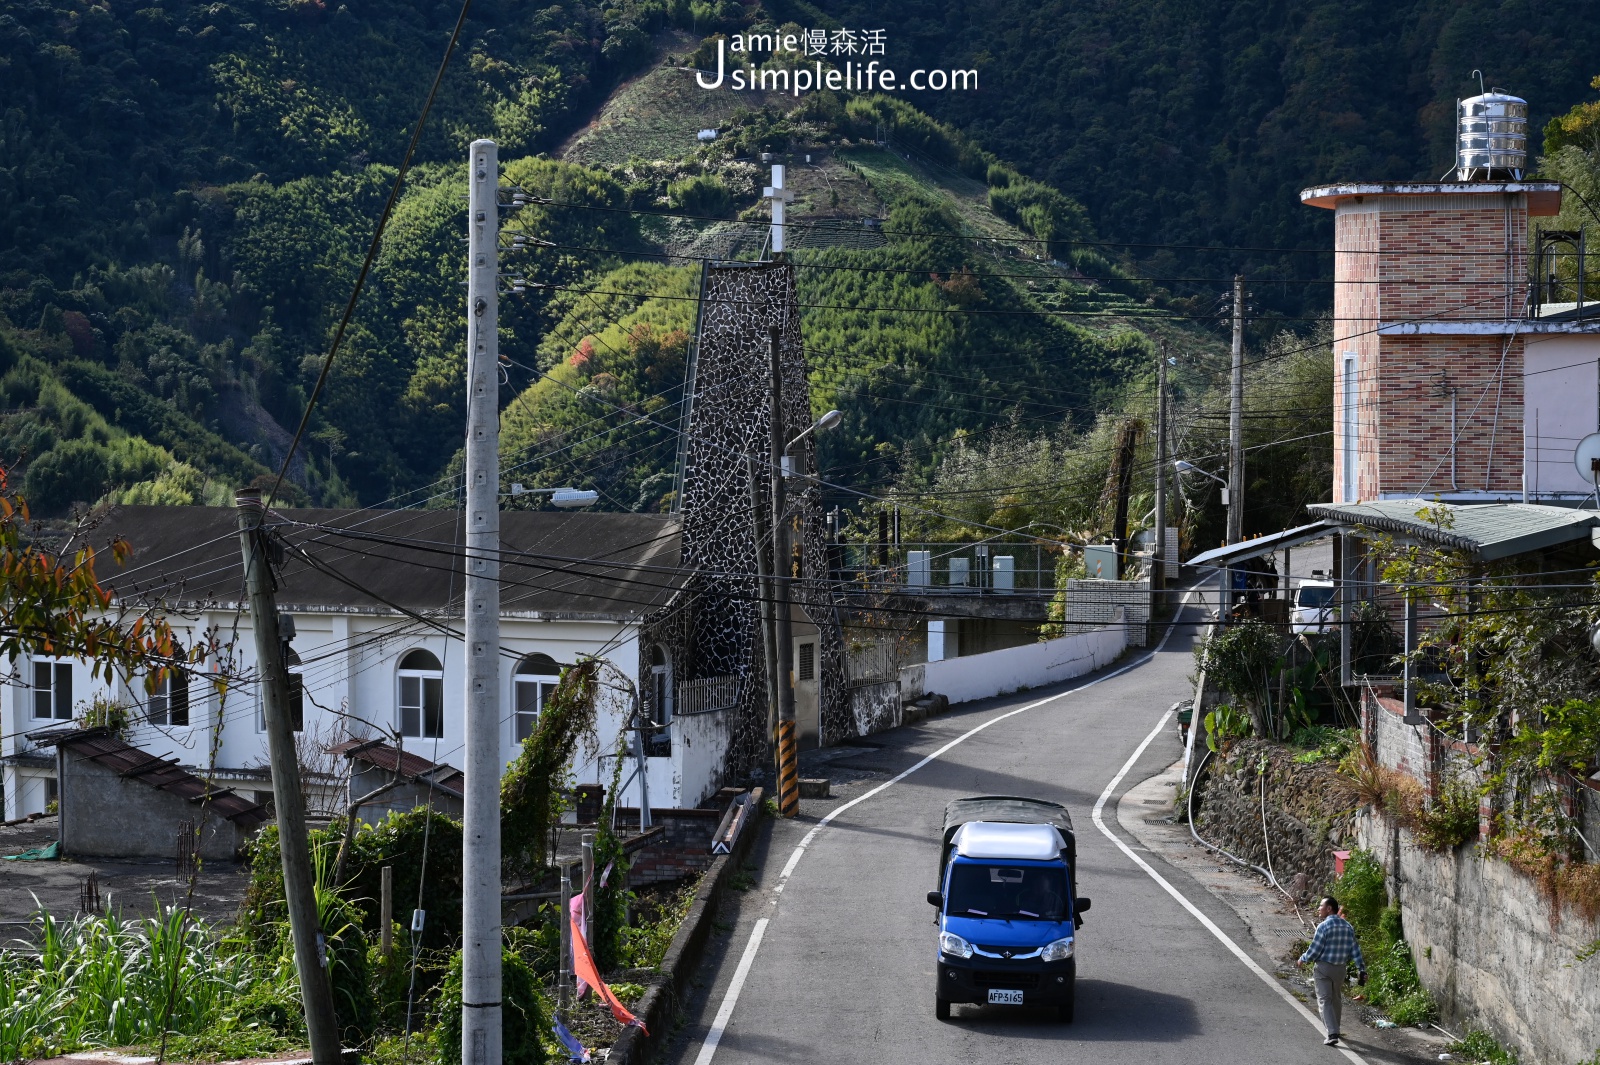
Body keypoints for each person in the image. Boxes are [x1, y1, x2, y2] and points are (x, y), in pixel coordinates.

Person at [1299, 896, 1367, 1047]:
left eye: (1321, 906)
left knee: (1324, 1000)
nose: (1318, 909)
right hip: (1340, 969)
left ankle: (1332, 1033)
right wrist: (1361, 969)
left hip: (1323, 968)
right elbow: (1355, 950)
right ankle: (1336, 1028)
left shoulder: (1323, 927)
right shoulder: (1348, 926)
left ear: (1329, 909)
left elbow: (1315, 950)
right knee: (1336, 998)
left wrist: (1303, 958)